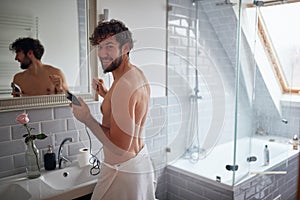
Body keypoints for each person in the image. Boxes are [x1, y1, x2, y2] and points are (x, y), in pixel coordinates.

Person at [70, 19, 156, 200]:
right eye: (100, 47)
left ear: (125, 48)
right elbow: (128, 109)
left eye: (109, 46)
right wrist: (106, 95)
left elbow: (119, 148)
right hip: (138, 164)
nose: (102, 54)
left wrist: (87, 119)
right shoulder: (135, 74)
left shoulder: (123, 86)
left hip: (122, 172)